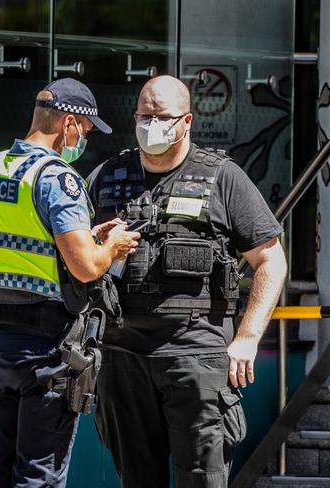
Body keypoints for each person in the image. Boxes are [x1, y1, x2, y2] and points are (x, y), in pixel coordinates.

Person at [86, 75, 287, 487]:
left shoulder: (223, 177)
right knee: (136, 478)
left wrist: (247, 338)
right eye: (143, 116)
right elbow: (77, 255)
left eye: (161, 117)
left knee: (202, 476)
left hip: (194, 352)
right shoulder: (107, 175)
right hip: (121, 352)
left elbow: (270, 260)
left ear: (188, 120)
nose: (150, 125)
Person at [0, 78, 141, 488]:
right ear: (68, 123)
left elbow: (24, 243)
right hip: (44, 347)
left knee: (5, 467)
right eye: (82, 132)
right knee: (39, 475)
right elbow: (84, 269)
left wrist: (88, 235)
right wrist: (112, 246)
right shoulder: (56, 177)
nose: (81, 141)